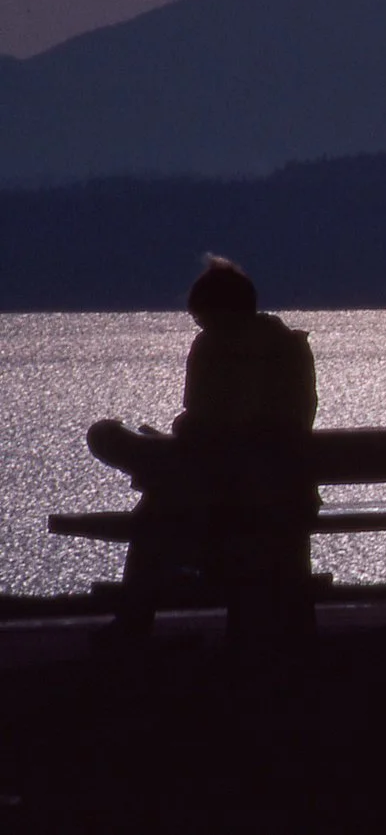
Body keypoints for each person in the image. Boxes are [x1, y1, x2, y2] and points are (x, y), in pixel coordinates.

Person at [95, 256, 319, 646]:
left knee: (152, 512)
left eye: (201, 319)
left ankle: (134, 621)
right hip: (289, 497)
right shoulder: (290, 347)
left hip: (227, 496)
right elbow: (296, 418)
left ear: (218, 313)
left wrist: (183, 432)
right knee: (164, 499)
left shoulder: (216, 347)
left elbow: (202, 421)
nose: (199, 327)